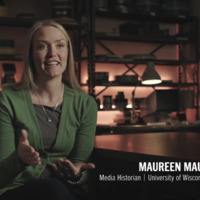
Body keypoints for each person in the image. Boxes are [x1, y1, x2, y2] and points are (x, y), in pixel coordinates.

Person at [0, 20, 97, 200]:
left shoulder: (85, 104)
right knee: (53, 190)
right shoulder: (7, 99)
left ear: (68, 52)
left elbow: (81, 170)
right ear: (31, 54)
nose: (53, 53)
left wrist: (76, 174)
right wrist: (19, 159)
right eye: (43, 46)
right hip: (16, 190)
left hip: (63, 191)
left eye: (60, 45)